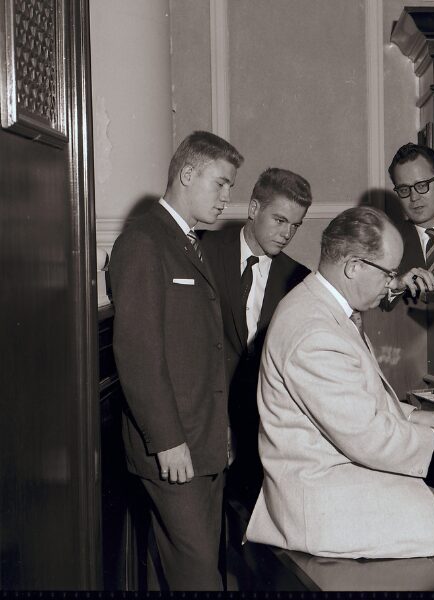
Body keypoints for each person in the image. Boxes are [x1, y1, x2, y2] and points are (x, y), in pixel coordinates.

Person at [245, 206, 434, 591]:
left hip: (334, 479)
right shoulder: (315, 332)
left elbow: (351, 398)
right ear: (354, 266)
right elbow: (368, 438)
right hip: (325, 502)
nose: (391, 285)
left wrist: (412, 416)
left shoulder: (319, 305)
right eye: (388, 273)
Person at [110, 130, 243, 591]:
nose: (227, 198)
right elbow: (138, 354)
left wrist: (220, 431)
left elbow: (204, 352)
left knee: (181, 570)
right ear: (187, 174)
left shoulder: (187, 242)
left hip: (203, 441)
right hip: (173, 447)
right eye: (221, 183)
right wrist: (168, 441)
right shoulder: (144, 241)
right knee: (199, 576)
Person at [201, 168, 311, 587]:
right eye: (279, 220)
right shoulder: (202, 251)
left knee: (254, 550)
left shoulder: (298, 277)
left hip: (262, 428)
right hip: (205, 419)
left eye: (295, 225)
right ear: (253, 208)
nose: (287, 234)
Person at [383, 143, 434, 303]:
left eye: (421, 186)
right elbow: (369, 298)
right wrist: (396, 285)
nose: (414, 198)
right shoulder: (385, 241)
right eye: (404, 190)